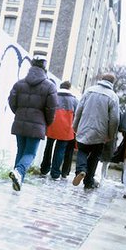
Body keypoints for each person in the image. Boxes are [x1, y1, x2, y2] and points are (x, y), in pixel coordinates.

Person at [8, 57, 58, 191]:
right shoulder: (50, 86)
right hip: (37, 125)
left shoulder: (19, 84)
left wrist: (19, 114)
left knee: (21, 151)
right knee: (30, 153)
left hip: (20, 123)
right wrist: (46, 122)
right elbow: (51, 109)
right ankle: (18, 172)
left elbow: (12, 102)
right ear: (44, 69)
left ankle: (18, 181)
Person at [72, 73, 120, 189]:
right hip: (101, 132)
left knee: (82, 151)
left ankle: (81, 170)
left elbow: (79, 110)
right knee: (95, 156)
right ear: (112, 83)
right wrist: (111, 134)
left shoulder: (89, 91)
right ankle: (88, 182)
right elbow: (115, 119)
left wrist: (75, 126)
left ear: (101, 80)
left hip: (84, 127)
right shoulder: (113, 97)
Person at [40, 81, 78, 180]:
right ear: (69, 88)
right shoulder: (74, 100)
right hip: (66, 129)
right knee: (60, 150)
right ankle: (55, 173)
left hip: (52, 125)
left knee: (48, 147)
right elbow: (77, 115)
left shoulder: (53, 96)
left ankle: (44, 169)